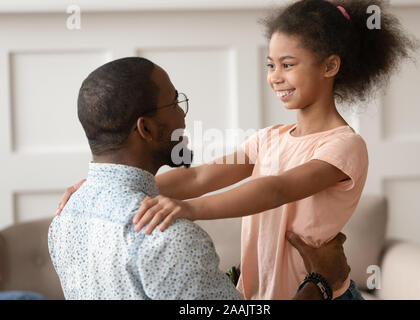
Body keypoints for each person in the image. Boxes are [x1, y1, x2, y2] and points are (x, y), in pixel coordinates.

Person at [124, 0, 418, 300]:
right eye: (271, 65)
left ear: (330, 66)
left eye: (287, 64)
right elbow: (199, 177)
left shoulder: (344, 145)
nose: (275, 76)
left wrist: (191, 209)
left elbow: (276, 189)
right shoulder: (269, 138)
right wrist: (121, 183)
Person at [49, 57, 350, 300]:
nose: (183, 115)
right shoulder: (170, 237)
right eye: (174, 102)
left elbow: (197, 178)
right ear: (146, 129)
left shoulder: (65, 218)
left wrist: (98, 185)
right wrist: (321, 283)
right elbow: (272, 188)